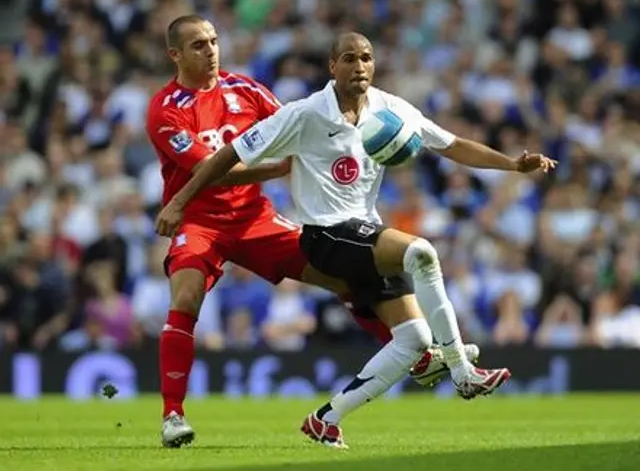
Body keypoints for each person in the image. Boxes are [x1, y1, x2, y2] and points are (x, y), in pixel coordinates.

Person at [155, 31, 558, 448]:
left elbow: (453, 146)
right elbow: (230, 153)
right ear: (333, 67)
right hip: (326, 234)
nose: (359, 66)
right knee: (420, 253)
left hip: (360, 230)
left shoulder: (391, 110)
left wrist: (512, 164)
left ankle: (326, 419)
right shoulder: (307, 113)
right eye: (349, 58)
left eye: (366, 57)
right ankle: (462, 371)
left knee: (413, 339)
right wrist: (180, 201)